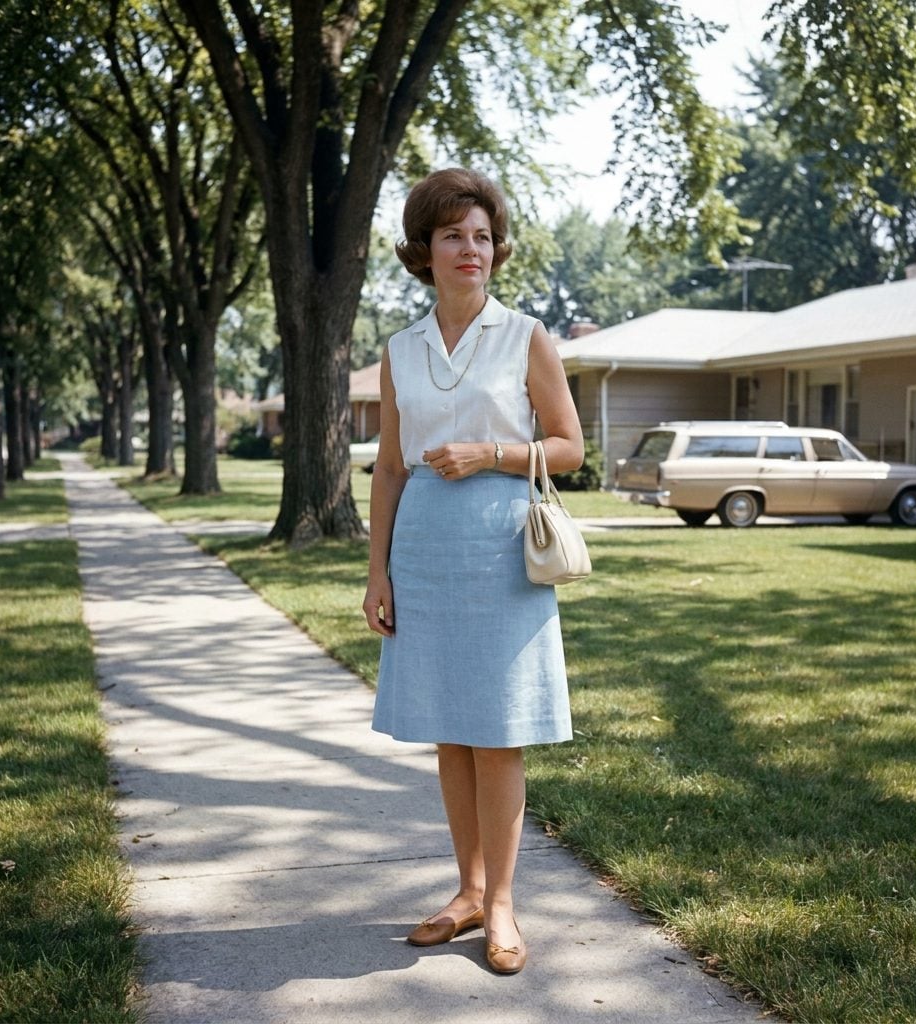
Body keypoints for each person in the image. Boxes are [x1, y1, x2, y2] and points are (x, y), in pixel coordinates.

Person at [362, 168, 584, 975]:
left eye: (483, 235)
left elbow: (569, 447)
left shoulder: (525, 335)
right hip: (422, 552)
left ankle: (502, 907)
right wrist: (376, 571)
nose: (471, 249)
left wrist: (491, 453)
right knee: (450, 730)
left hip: (501, 552)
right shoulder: (399, 349)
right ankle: (465, 891)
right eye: (454, 234)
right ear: (424, 250)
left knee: (499, 735)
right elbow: (388, 468)